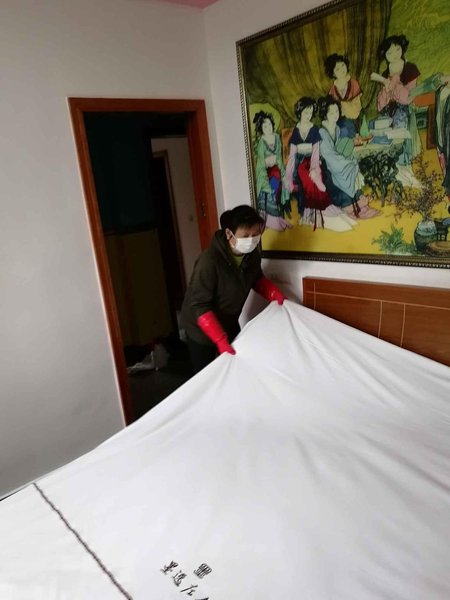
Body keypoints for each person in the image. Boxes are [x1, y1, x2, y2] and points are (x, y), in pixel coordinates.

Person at [181, 205, 287, 373]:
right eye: (245, 236)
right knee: (207, 374)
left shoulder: (251, 254)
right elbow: (199, 306)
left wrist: (273, 293)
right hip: (201, 328)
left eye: (255, 234)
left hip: (229, 321)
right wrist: (220, 340)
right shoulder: (209, 261)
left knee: (237, 367)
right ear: (229, 233)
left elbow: (255, 278)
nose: (251, 240)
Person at [318, 95, 379, 219]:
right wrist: (346, 163)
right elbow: (329, 156)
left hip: (337, 163)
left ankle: (359, 200)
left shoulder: (337, 129)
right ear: (325, 115)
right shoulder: (321, 133)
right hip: (327, 168)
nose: (335, 115)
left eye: (337, 111)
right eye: (331, 113)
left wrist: (349, 161)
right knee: (345, 171)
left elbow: (341, 150)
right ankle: (350, 205)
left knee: (352, 166)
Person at [370, 34, 421, 164]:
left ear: (402, 48)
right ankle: (386, 162)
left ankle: (401, 162)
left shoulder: (410, 68)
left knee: (399, 131)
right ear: (385, 55)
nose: (395, 55)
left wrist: (395, 80)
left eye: (397, 49)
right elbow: (381, 105)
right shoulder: (385, 74)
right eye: (390, 52)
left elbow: (407, 98)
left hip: (405, 109)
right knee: (379, 128)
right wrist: (385, 87)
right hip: (388, 110)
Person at [284, 97, 332, 229]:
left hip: (313, 160)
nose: (308, 116)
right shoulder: (296, 130)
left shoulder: (314, 129)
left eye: (310, 113)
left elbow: (316, 152)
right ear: (300, 112)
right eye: (305, 112)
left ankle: (317, 214)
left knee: (315, 176)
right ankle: (307, 214)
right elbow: (292, 155)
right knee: (305, 177)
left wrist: (314, 168)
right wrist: (288, 174)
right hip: (299, 161)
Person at [253, 111, 292, 231]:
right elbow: (260, 163)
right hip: (264, 171)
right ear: (261, 128)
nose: (268, 128)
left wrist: (284, 174)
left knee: (278, 179)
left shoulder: (276, 138)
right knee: (269, 187)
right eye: (265, 126)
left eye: (269, 124)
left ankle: (276, 216)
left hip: (276, 169)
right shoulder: (261, 142)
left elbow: (279, 158)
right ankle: (269, 219)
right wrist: (265, 182)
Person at [324, 53, 362, 138]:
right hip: (338, 119)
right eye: (337, 69)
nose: (342, 70)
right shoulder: (332, 90)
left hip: (354, 117)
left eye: (342, 65)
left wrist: (344, 107)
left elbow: (357, 105)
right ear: (333, 73)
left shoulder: (354, 83)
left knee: (347, 129)